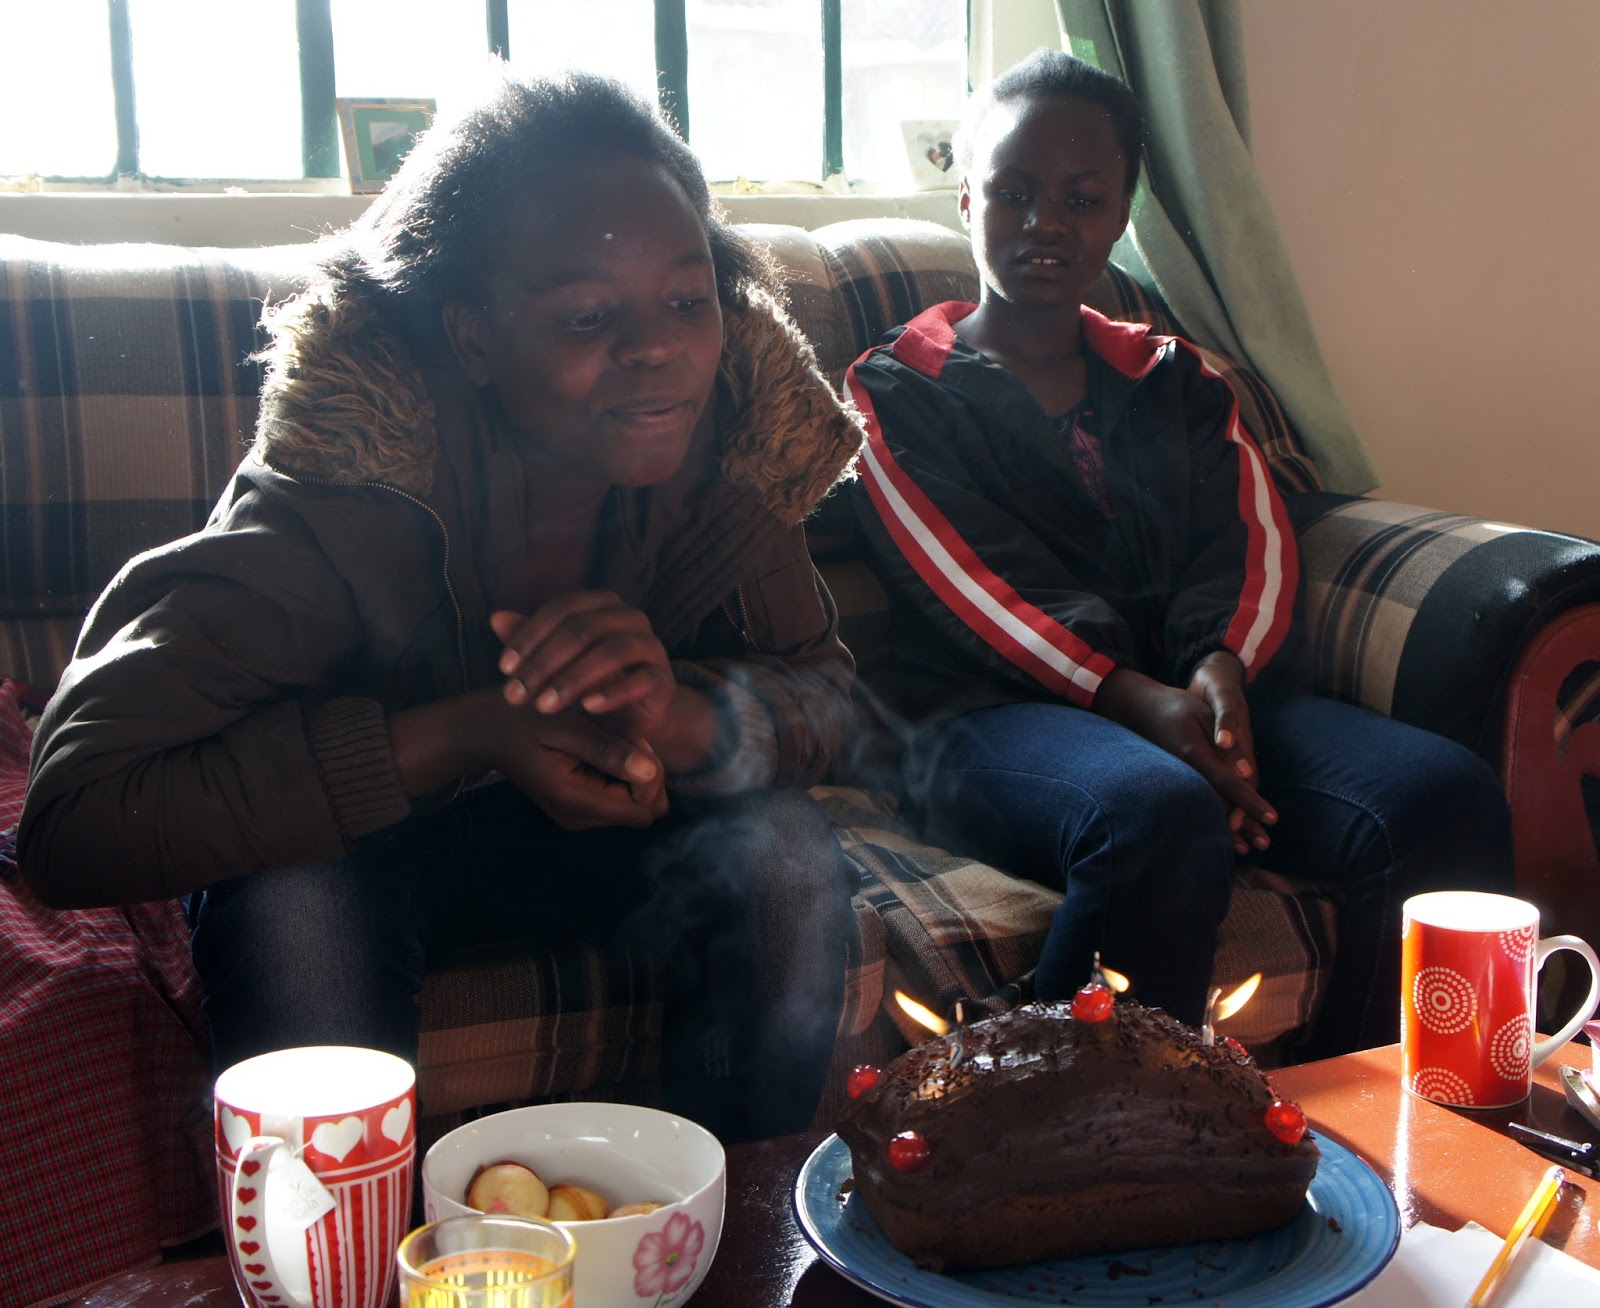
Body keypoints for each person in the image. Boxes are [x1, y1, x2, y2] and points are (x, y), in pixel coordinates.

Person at [18, 68, 865, 1142]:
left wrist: (677, 717)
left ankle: (734, 1223)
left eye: (688, 301)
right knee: (300, 909)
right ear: (471, 337)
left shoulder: (730, 452)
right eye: (587, 315)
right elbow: (74, 818)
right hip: (354, 846)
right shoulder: (340, 487)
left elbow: (826, 696)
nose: (656, 347)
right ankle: (338, 1241)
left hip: (580, 848)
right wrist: (473, 733)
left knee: (784, 857)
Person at [845, 48, 1514, 1054]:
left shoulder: (1177, 379)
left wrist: (1217, 674)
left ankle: (1369, 1121)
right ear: (967, 196)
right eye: (1014, 192)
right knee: (1155, 809)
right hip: (982, 724)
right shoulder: (895, 388)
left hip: (1191, 693)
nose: (1044, 223)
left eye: (1082, 199)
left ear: (1121, 216)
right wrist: (1140, 703)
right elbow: (977, 587)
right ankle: (1075, 1126)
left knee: (1440, 794)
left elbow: (1250, 541)